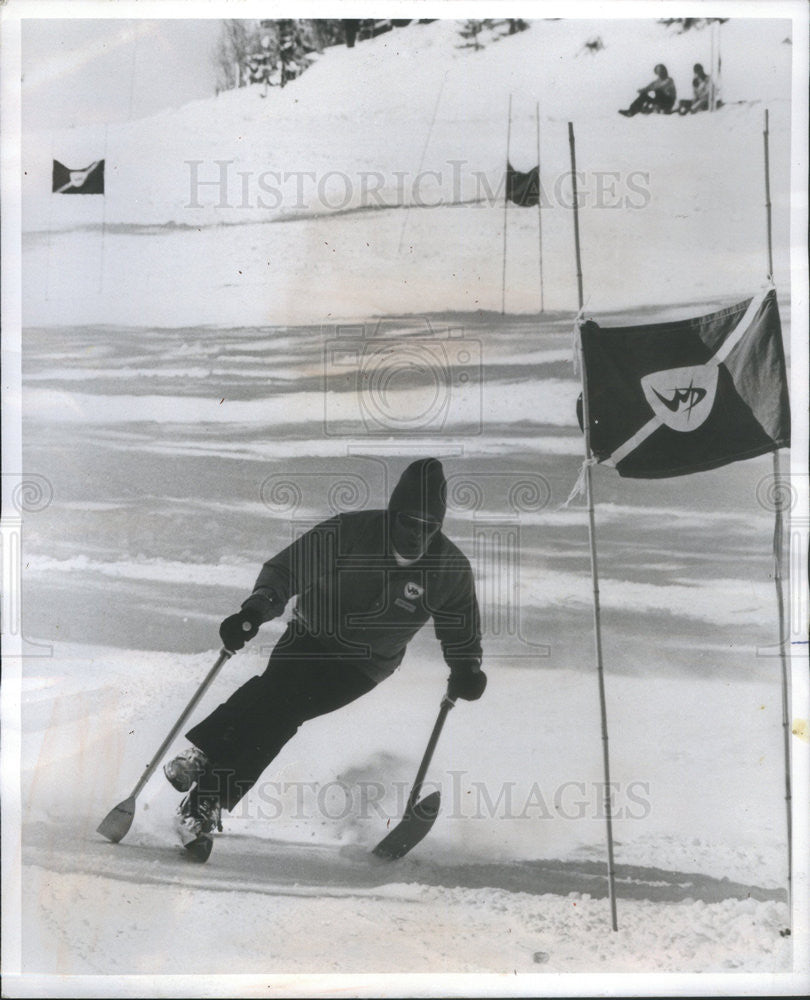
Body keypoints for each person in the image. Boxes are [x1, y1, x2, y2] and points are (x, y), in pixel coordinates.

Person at [164, 458, 486, 860]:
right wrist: (255, 610)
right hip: (310, 635)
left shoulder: (448, 568)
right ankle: (202, 801)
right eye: (409, 522)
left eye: (429, 527)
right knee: (278, 703)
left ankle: (203, 760)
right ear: (393, 514)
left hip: (363, 666)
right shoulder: (352, 531)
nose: (417, 535)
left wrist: (466, 667)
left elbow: (461, 625)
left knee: (281, 707)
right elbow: (289, 569)